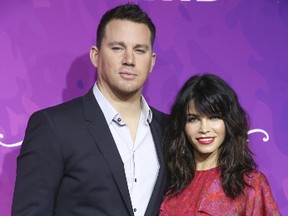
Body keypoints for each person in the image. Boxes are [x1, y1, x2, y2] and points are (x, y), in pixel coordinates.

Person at [12, 3, 167, 216]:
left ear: (151, 61)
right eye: (117, 48)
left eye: (140, 50)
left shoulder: (170, 130)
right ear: (95, 55)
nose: (129, 60)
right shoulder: (54, 126)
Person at [159, 74, 281, 215]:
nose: (204, 129)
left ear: (228, 122)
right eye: (193, 119)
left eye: (214, 117)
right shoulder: (168, 183)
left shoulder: (250, 184)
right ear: (182, 125)